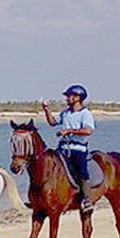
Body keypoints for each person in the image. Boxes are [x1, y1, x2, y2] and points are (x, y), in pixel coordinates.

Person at [42, 84, 96, 213]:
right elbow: (53, 123)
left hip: (78, 149)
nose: (68, 98)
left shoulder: (85, 114)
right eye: (68, 96)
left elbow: (88, 131)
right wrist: (47, 110)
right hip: (63, 148)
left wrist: (69, 131)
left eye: (70, 96)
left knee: (82, 171)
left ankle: (87, 199)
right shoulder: (66, 113)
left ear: (78, 98)